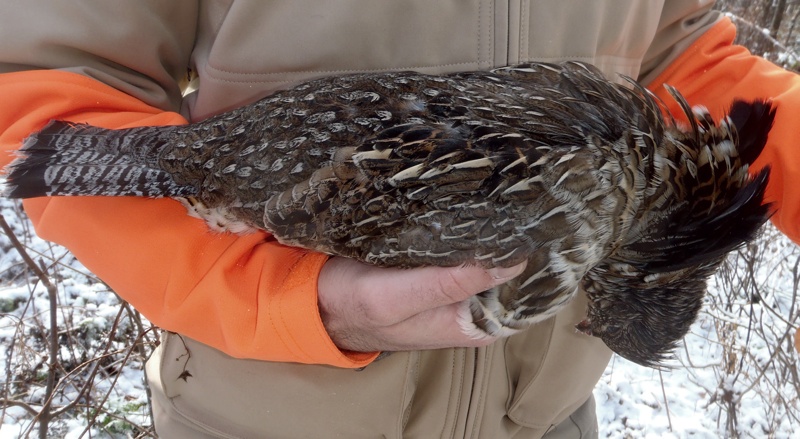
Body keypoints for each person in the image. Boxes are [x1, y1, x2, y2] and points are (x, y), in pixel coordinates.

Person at [0, 1, 798, 438]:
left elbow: (672, 56)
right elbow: (44, 82)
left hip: (542, 418)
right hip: (272, 419)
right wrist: (298, 297)